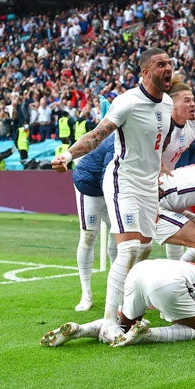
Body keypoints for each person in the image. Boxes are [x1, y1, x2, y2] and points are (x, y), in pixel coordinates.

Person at [51, 48, 173, 346]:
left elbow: (159, 141)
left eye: (170, 63)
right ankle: (108, 322)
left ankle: (127, 315)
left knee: (143, 253)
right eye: (161, 64)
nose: (168, 68)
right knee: (129, 248)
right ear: (145, 72)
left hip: (148, 187)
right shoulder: (127, 101)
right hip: (124, 182)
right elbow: (96, 135)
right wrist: (67, 154)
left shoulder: (167, 103)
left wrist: (159, 170)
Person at [40, 259, 195, 347]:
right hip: (166, 282)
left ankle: (80, 329)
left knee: (123, 326)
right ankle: (147, 335)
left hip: (140, 270)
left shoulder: (194, 268)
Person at [71, 133, 117, 311]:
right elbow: (109, 172)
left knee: (117, 231)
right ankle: (86, 294)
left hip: (110, 183)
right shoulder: (117, 140)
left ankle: (116, 290)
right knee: (89, 235)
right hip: (88, 181)